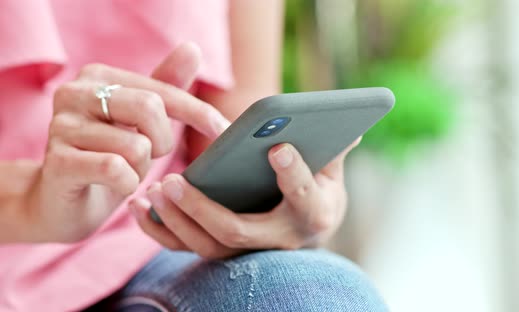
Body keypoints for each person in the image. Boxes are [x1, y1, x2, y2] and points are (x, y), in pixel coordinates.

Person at [0, 1, 388, 311]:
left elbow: (235, 122)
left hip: (150, 252)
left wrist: (292, 203)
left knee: (318, 296)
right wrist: (29, 204)